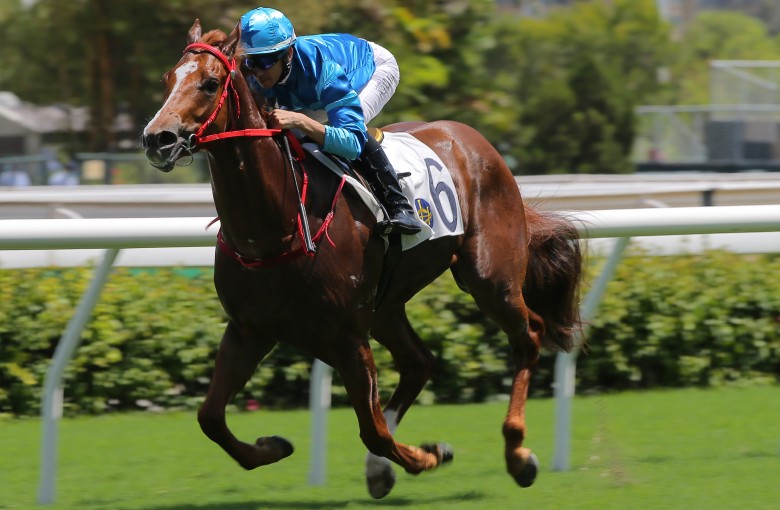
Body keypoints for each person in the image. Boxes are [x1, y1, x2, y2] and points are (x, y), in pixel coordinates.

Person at [238, 6, 421, 235]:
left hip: (372, 70)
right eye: (251, 62)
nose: (256, 71)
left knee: (352, 129)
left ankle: (399, 205)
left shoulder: (325, 70)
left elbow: (351, 142)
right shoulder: (256, 73)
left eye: (265, 62)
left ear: (288, 55)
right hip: (313, 91)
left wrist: (302, 121)